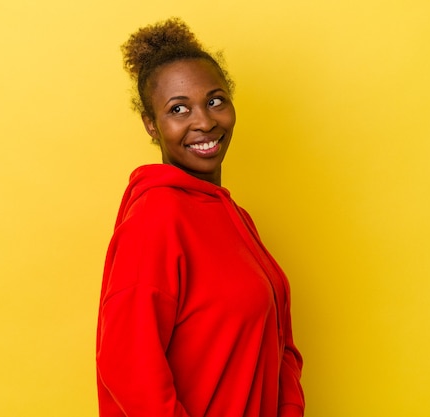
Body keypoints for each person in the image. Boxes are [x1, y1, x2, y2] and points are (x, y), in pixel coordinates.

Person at [96, 17, 305, 417]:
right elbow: (129, 370)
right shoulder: (155, 217)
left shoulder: (236, 218)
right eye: (178, 109)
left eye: (214, 100)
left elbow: (280, 342)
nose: (204, 122)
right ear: (151, 126)